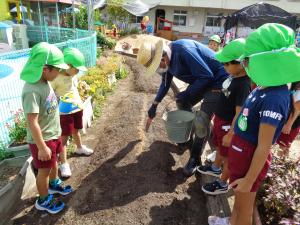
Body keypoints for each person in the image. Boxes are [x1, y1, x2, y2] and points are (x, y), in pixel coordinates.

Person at [208, 23, 300, 225]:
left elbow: (264, 145)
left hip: (250, 157)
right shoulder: (261, 87)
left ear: (267, 61)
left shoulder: (275, 98)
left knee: (245, 206)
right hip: (241, 153)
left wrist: (250, 179)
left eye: (248, 60)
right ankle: (231, 222)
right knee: (239, 202)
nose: (246, 64)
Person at [137, 38, 229, 176]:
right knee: (181, 102)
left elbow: (207, 76)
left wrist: (187, 92)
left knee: (201, 120)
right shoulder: (166, 62)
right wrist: (154, 105)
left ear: (162, 57)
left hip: (217, 81)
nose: (158, 70)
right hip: (202, 80)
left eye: (157, 66)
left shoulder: (184, 51)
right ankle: (189, 139)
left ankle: (195, 157)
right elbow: (165, 83)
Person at [21, 42, 72, 214]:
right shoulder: (31, 90)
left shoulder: (44, 81)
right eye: (56, 69)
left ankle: (54, 184)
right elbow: (32, 121)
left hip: (53, 135)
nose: (59, 72)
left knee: (54, 163)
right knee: (43, 171)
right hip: (42, 140)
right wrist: (42, 147)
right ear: (45, 68)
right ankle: (43, 200)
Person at [198, 39, 251, 195]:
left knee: (228, 156)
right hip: (221, 122)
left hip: (229, 126)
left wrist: (231, 133)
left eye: (227, 64)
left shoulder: (243, 84)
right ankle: (215, 168)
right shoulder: (234, 77)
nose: (224, 66)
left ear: (241, 63)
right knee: (220, 148)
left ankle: (222, 183)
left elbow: (239, 113)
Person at [51, 48, 94, 178]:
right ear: (68, 65)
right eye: (76, 68)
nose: (78, 71)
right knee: (63, 138)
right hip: (65, 113)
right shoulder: (56, 78)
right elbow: (51, 96)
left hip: (76, 108)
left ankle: (79, 148)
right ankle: (63, 163)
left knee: (75, 130)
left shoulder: (72, 75)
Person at [276, 82, 300, 157]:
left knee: (282, 146)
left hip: (292, 123)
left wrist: (289, 124)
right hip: (287, 120)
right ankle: (283, 159)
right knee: (283, 146)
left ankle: (281, 161)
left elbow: (297, 108)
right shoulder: (295, 82)